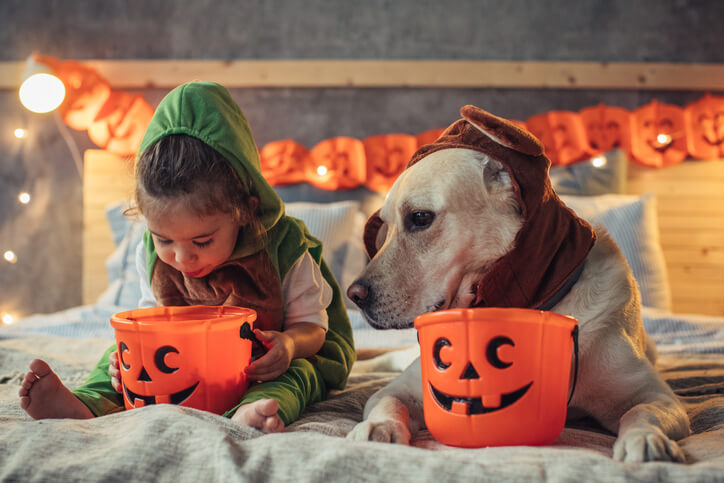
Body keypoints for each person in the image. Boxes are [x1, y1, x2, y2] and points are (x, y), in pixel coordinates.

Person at [18, 81, 356, 432]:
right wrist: (128, 362)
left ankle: (254, 410)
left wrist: (287, 343)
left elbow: (313, 330)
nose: (182, 258)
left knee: (299, 373)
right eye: (163, 239)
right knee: (117, 361)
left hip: (267, 361)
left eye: (203, 241)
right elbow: (149, 327)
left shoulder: (285, 249)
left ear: (244, 211)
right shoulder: (149, 255)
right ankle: (84, 404)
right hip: (184, 360)